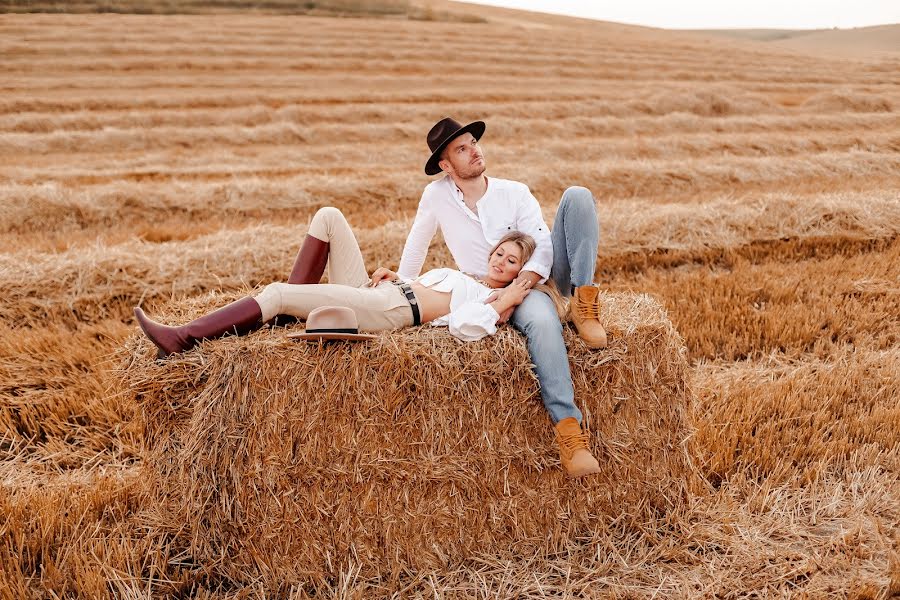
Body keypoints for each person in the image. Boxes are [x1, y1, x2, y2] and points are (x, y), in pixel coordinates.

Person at [393, 117, 607, 478]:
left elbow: (541, 244)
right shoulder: (436, 196)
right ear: (446, 166)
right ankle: (570, 432)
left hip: (532, 280)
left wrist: (520, 285)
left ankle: (584, 306)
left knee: (578, 197)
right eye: (462, 148)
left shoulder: (514, 191)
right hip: (484, 289)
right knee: (541, 322)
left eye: (473, 141)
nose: (475, 150)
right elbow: (416, 245)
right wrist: (400, 291)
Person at [134, 207, 549, 358]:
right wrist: (399, 276)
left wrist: (506, 299)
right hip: (381, 293)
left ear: (519, 272)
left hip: (391, 312)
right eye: (499, 252)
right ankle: (285, 316)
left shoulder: (495, 299)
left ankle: (183, 339)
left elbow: (463, 326)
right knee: (329, 216)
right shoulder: (467, 276)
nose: (500, 260)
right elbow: (430, 287)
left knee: (277, 292)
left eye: (512, 260)